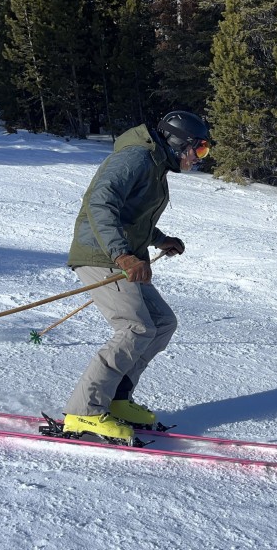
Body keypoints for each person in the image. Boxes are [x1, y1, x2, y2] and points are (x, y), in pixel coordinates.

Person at [61, 111, 211, 443]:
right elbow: (101, 204)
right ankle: (84, 411)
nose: (198, 158)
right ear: (176, 143)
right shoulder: (136, 157)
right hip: (103, 254)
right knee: (135, 328)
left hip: (122, 256)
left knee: (161, 323)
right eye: (197, 150)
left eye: (203, 152)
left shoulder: (154, 163)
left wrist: (159, 240)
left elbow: (133, 215)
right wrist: (123, 255)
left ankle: (116, 399)